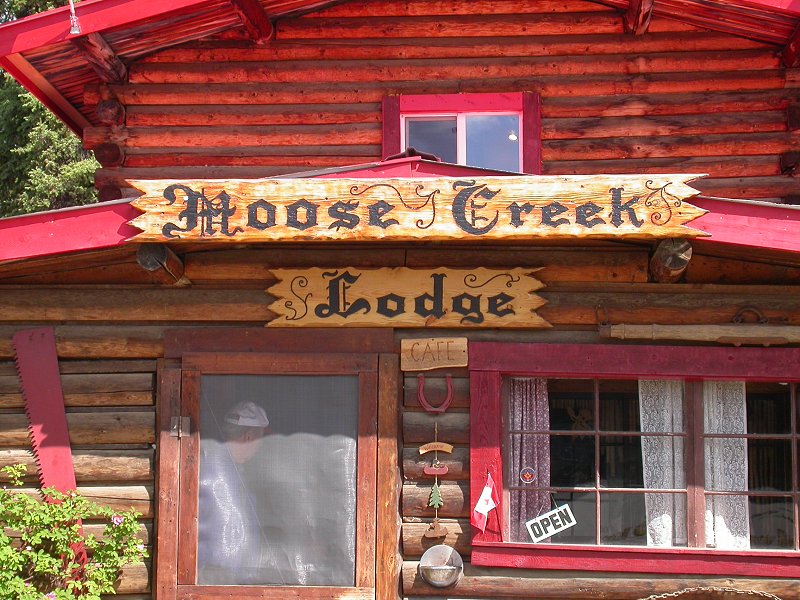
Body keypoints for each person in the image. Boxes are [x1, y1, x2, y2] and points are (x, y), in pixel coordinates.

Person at [197, 400, 271, 585]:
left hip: (235, 580)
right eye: (260, 441)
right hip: (216, 581)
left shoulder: (233, 469)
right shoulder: (211, 467)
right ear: (248, 437)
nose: (260, 448)